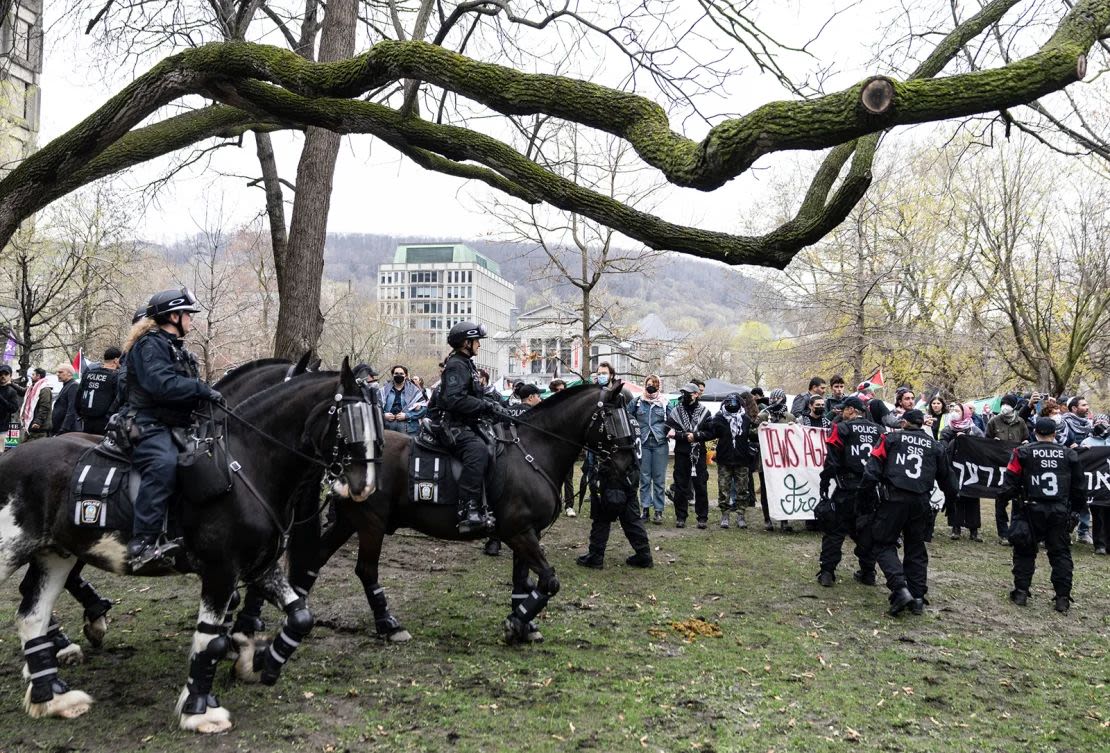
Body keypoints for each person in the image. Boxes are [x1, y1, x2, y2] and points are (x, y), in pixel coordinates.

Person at [126, 288, 223, 571]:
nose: (191, 321)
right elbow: (162, 385)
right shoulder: (149, 344)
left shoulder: (174, 346)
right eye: (188, 315)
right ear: (173, 316)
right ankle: (142, 544)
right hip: (148, 424)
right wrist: (200, 389)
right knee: (163, 464)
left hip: (178, 425)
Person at [860, 408, 951, 616]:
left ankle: (900, 588)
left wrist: (864, 495)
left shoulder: (890, 439)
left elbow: (872, 468)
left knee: (882, 543)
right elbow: (947, 477)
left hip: (894, 499)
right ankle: (917, 597)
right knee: (916, 548)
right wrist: (952, 500)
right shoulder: (935, 446)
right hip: (921, 501)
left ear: (904, 423)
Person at [997, 417, 1086, 613]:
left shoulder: (1022, 452)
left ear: (1034, 432)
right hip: (1059, 510)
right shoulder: (1069, 454)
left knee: (1024, 551)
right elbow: (1080, 487)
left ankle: (1021, 591)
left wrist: (1003, 500)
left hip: (1029, 508)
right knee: (1060, 553)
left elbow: (1010, 481)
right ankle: (1062, 597)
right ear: (1055, 434)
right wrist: (1075, 511)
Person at [441, 321, 507, 534]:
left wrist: (493, 404)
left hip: (470, 423)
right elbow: (455, 400)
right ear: (465, 342)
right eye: (476, 340)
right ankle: (467, 509)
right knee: (477, 451)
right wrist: (485, 405)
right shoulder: (456, 365)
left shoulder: (467, 364)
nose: (479, 344)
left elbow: (473, 394)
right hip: (454, 426)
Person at [816, 396, 881, 587]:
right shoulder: (880, 431)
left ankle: (827, 572)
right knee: (866, 532)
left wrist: (825, 482)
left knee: (834, 530)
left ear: (852, 410)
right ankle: (869, 572)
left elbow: (832, 460)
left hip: (846, 488)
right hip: (870, 490)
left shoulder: (841, 429)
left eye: (844, 410)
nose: (841, 413)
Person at [576, 445, 653, 570]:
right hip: (629, 473)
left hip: (614, 473)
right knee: (631, 518)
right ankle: (644, 554)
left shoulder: (614, 425)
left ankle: (596, 556)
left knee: (602, 516)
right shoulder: (633, 425)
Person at [697, 392, 752, 529]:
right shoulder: (719, 418)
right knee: (724, 489)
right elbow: (709, 431)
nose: (732, 405)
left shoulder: (745, 419)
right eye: (729, 402)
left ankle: (740, 515)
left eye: (734, 402)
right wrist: (700, 429)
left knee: (742, 490)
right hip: (724, 459)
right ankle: (725, 515)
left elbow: (753, 434)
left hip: (742, 459)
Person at [666, 382, 711, 528]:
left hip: (699, 453)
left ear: (696, 394)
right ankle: (681, 516)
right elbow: (668, 429)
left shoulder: (705, 412)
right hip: (681, 453)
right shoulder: (676, 411)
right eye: (684, 393)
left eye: (688, 393)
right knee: (680, 486)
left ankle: (702, 517)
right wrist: (685, 436)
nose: (685, 396)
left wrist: (696, 435)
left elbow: (710, 432)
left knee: (700, 485)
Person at [941, 403, 986, 541]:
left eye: (957, 410)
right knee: (956, 497)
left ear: (965, 413)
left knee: (973, 497)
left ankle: (974, 530)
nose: (954, 412)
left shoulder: (975, 430)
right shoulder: (947, 430)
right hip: (954, 470)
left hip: (971, 470)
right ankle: (956, 527)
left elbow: (983, 447)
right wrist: (956, 441)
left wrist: (968, 440)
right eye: (952, 410)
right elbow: (943, 448)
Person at [987, 394, 1027, 544]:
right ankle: (1003, 534)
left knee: (1018, 501)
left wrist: (1025, 442)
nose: (1005, 406)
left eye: (1008, 403)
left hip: (1016, 469)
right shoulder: (993, 421)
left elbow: (1026, 439)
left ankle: (1015, 531)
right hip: (999, 468)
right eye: (1003, 403)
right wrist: (993, 442)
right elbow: (985, 442)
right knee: (1000, 501)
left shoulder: (1021, 422)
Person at [628, 374, 669, 524]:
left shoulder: (665, 403)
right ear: (644, 385)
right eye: (649, 384)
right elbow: (628, 417)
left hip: (660, 444)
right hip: (643, 444)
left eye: (654, 384)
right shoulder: (637, 402)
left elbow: (672, 421)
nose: (651, 387)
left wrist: (667, 431)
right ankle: (645, 508)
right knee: (644, 478)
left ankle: (658, 511)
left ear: (659, 386)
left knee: (659, 479)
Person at [757, 388, 796, 532]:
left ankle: (784, 520)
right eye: (772, 398)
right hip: (766, 460)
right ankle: (767, 519)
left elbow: (799, 435)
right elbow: (752, 434)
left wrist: (794, 428)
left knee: (784, 489)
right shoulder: (763, 415)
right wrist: (761, 428)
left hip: (784, 461)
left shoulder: (790, 417)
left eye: (777, 399)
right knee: (766, 490)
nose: (775, 401)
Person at [1081, 414, 1109, 556]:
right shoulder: (1087, 441)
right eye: (1098, 422)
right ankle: (1100, 544)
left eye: (1104, 422)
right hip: (1096, 486)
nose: (1101, 424)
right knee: (1097, 515)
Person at [77, 347, 122, 435]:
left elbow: (78, 395)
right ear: (116, 360)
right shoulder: (116, 377)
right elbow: (119, 400)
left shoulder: (88, 374)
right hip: (105, 422)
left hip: (86, 420)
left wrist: (82, 414)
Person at [382, 364, 427, 436]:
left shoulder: (414, 391)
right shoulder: (384, 390)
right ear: (392, 375)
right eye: (396, 373)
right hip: (387, 429)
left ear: (405, 376)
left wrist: (407, 415)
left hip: (408, 429)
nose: (398, 375)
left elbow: (424, 409)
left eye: (401, 374)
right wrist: (384, 415)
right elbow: (376, 408)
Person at [21, 367, 52, 442]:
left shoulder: (44, 389)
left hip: (39, 429)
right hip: (31, 427)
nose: (31, 376)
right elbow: (22, 391)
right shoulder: (33, 388)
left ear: (38, 376)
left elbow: (44, 407)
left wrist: (38, 421)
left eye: (33, 374)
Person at [50, 363, 81, 435]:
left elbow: (72, 409)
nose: (57, 374)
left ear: (69, 374)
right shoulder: (66, 385)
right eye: (57, 372)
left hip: (68, 431)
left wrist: (64, 428)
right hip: (61, 429)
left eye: (61, 372)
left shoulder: (73, 386)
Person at [0, 364, 24, 450]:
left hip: (4, 429)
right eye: (1, 374)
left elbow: (14, 408)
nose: (3, 376)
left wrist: (2, 399)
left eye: (6, 374)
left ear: (10, 376)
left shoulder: (12, 391)